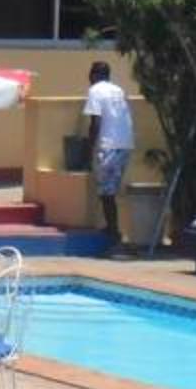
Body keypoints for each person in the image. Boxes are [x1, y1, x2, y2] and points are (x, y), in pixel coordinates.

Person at [82, 61, 135, 252]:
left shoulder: (95, 91)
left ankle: (114, 235)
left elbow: (95, 122)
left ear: (94, 74)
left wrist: (88, 149)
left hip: (109, 145)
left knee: (107, 192)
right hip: (125, 144)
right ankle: (112, 229)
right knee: (110, 191)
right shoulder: (118, 90)